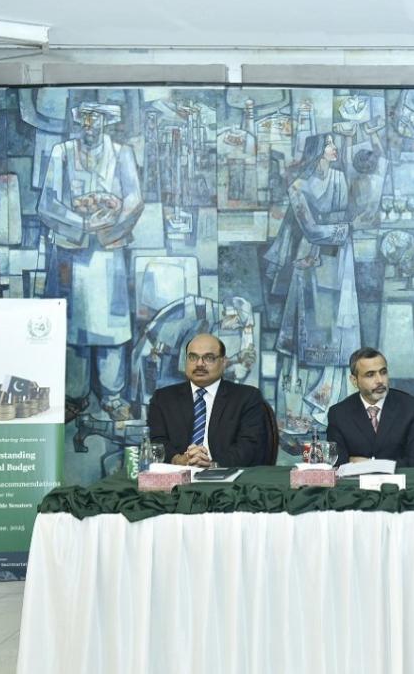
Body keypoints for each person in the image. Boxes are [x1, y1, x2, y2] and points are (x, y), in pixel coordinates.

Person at [37, 102, 144, 423]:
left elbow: (135, 199)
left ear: (106, 121)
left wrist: (108, 227)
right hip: (71, 253)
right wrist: (82, 224)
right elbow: (48, 203)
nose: (89, 124)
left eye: (94, 118)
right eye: (84, 117)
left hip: (108, 254)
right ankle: (74, 395)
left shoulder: (122, 153)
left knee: (111, 327)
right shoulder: (62, 152)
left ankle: (112, 396)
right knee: (73, 329)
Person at [263, 131, 360, 434]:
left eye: (333, 143)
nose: (334, 148)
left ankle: (329, 411)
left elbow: (343, 214)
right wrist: (343, 230)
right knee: (306, 338)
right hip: (309, 264)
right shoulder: (298, 186)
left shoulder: (339, 178)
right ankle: (297, 414)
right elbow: (311, 229)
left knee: (336, 336)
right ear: (317, 150)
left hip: (337, 262)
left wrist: (338, 228)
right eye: (329, 144)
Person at [147, 333, 270, 468]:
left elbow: (249, 446)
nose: (199, 364)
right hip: (177, 475)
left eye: (209, 358)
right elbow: (157, 441)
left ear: (223, 362)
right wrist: (178, 460)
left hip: (227, 476)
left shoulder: (247, 397)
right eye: (193, 357)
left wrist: (211, 465)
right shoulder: (163, 398)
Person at [326, 347, 414, 467]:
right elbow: (338, 464)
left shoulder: (411, 407)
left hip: (402, 479)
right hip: (356, 480)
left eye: (383, 372)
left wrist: (370, 464)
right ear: (354, 381)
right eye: (370, 375)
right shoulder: (338, 414)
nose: (380, 380)